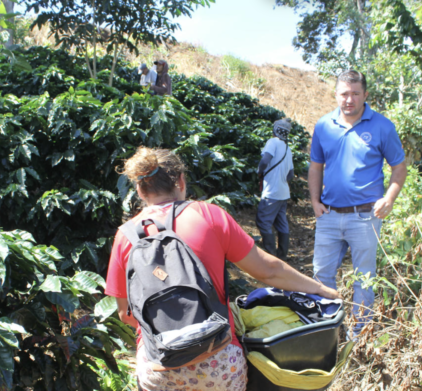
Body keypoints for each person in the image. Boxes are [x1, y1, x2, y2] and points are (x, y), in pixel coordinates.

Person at [105, 147, 341, 391]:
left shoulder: (126, 236)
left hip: (159, 368)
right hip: (218, 362)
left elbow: (126, 315)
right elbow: (268, 270)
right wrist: (321, 289)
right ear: (181, 181)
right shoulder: (208, 215)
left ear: (140, 190)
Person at [309, 70, 407, 339]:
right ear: (336, 94)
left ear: (365, 95)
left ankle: (359, 337)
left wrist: (389, 198)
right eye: (344, 93)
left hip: (365, 217)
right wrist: (314, 201)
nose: (349, 99)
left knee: (364, 278)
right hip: (328, 216)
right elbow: (316, 166)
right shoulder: (323, 126)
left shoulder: (382, 126)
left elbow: (399, 167)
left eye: (354, 93)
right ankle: (327, 331)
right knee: (321, 274)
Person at [256, 118, 294, 261]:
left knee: (263, 222)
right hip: (283, 193)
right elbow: (290, 174)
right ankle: (282, 255)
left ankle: (271, 257)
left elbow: (265, 160)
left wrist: (260, 172)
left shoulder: (272, 143)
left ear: (275, 130)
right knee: (281, 223)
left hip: (271, 192)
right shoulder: (287, 148)